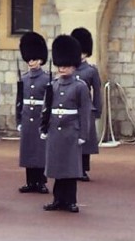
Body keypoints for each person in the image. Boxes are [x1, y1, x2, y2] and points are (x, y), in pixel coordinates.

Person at [42, 34, 92, 213]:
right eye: (60, 65)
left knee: (70, 169)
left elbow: (84, 112)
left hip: (71, 131)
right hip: (55, 130)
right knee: (57, 167)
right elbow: (47, 108)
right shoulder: (54, 85)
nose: (62, 68)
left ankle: (70, 200)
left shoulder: (80, 86)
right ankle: (58, 199)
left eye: (66, 65)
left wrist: (83, 135)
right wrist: (44, 127)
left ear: (73, 66)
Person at [16, 31, 50, 194]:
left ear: (41, 60)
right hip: (27, 118)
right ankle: (30, 181)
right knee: (28, 150)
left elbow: (49, 102)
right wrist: (18, 121)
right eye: (29, 59)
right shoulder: (23, 78)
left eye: (34, 59)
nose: (31, 62)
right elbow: (19, 101)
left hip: (39, 118)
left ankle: (41, 181)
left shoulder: (46, 79)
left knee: (40, 151)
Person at [70, 27, 102, 182]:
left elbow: (97, 91)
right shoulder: (69, 68)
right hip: (70, 109)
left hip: (86, 109)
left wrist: (97, 110)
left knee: (85, 141)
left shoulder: (91, 70)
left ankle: (83, 169)